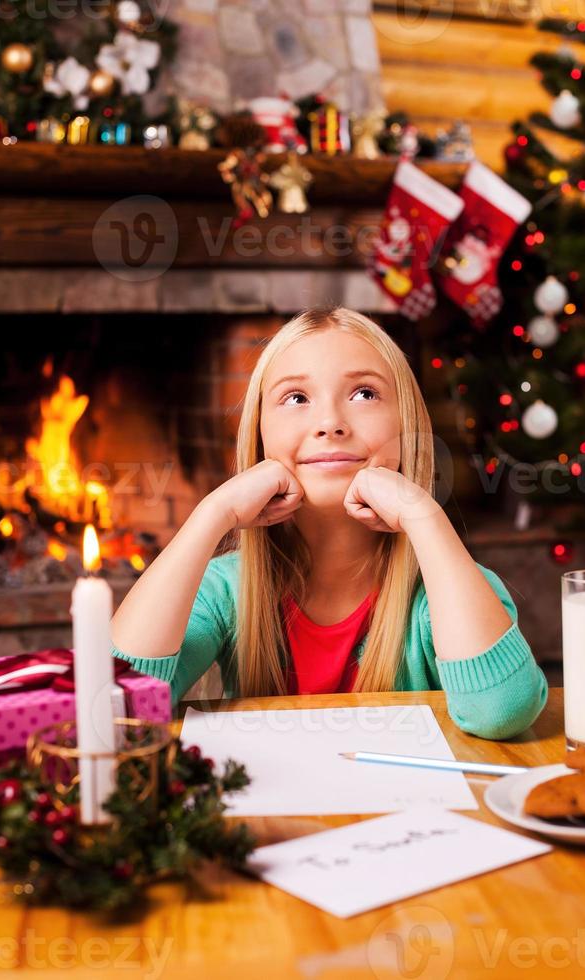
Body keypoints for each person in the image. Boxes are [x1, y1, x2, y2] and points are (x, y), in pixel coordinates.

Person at [111, 307, 548, 739]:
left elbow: (500, 713)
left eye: (364, 394)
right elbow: (120, 703)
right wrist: (213, 514)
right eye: (296, 398)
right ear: (261, 436)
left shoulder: (448, 587)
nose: (330, 424)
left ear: (406, 424)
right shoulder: (227, 589)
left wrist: (425, 517)